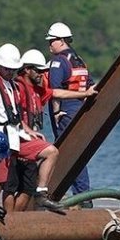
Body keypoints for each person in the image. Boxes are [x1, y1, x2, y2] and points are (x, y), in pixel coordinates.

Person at [0, 44, 65, 213]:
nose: (11, 72)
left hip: (16, 135)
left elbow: (15, 116)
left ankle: (40, 195)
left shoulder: (11, 85)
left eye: (13, 69)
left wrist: (29, 132)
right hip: (0, 138)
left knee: (51, 151)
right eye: (7, 68)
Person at [17, 49, 98, 208]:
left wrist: (85, 93)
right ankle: (39, 195)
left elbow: (56, 92)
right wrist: (28, 130)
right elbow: (13, 114)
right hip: (18, 141)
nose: (42, 74)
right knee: (51, 152)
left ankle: (36, 203)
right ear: (27, 69)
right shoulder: (18, 89)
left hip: (29, 141)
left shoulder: (37, 90)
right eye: (38, 70)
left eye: (44, 70)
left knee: (27, 185)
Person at [46, 22, 95, 201]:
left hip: (66, 112)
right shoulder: (78, 59)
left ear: (61, 40)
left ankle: (80, 197)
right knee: (78, 154)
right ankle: (82, 195)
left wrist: (57, 112)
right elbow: (90, 84)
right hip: (80, 110)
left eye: (51, 41)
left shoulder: (59, 62)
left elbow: (55, 91)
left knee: (67, 153)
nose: (50, 44)